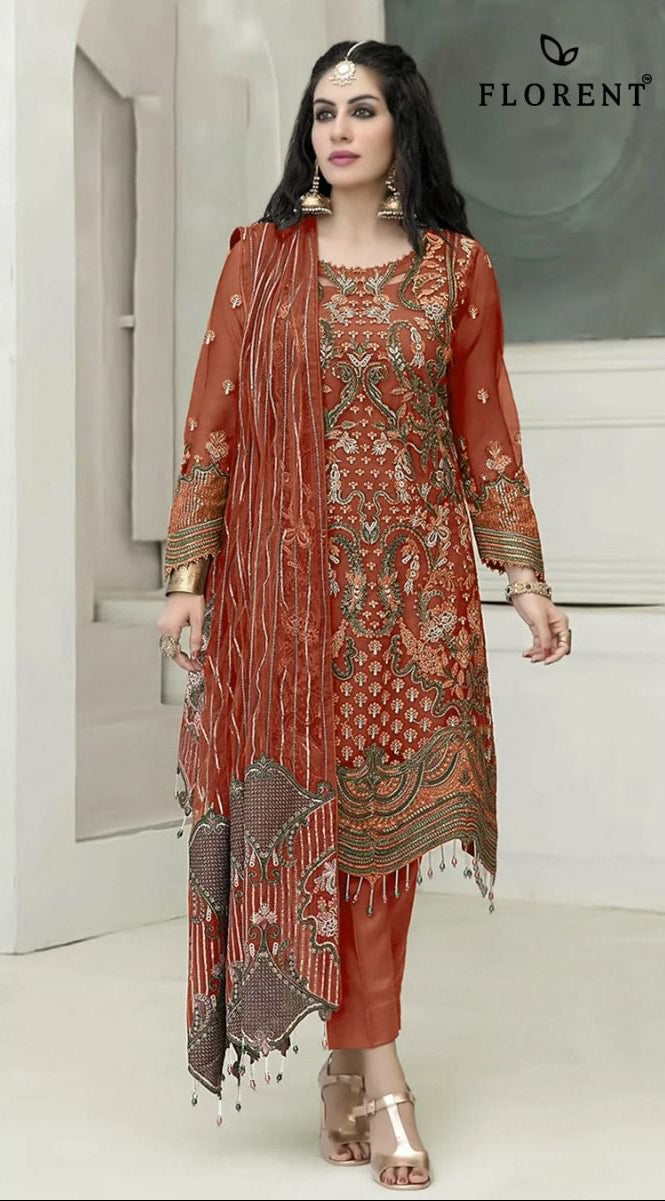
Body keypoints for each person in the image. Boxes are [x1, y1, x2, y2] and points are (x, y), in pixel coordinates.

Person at [157, 38, 572, 1192]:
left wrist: (523, 579)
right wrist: (188, 577)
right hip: (281, 602)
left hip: (409, 602)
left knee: (380, 844)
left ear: (402, 127)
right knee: (314, 835)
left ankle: (357, 1063)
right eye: (322, 111)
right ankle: (377, 1074)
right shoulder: (259, 259)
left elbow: (484, 432)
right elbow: (212, 424)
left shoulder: (455, 271)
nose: (337, 130)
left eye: (362, 110)